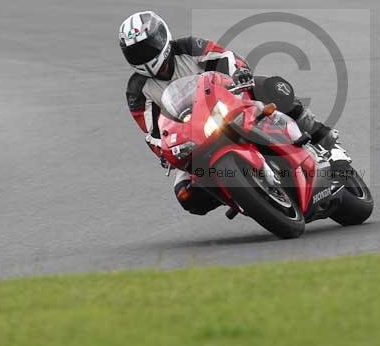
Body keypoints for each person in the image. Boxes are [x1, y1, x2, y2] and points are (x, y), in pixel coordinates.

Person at [119, 11, 338, 215]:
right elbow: (153, 132)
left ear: (162, 37)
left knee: (269, 86)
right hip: (193, 138)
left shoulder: (188, 47)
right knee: (187, 195)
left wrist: (239, 74)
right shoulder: (137, 89)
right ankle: (239, 193)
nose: (144, 55)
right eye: (136, 52)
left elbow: (225, 57)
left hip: (230, 105)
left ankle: (320, 135)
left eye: (147, 47)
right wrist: (164, 152)